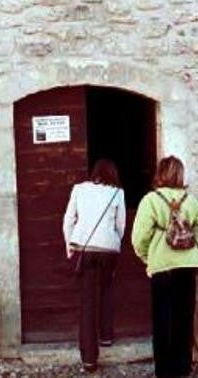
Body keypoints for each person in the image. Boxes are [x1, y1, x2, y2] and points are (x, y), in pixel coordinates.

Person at [131, 156, 198, 378]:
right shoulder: (192, 202)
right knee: (184, 317)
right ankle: (183, 368)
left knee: (162, 318)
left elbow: (139, 237)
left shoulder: (150, 201)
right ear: (180, 175)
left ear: (160, 174)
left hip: (162, 267)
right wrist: (193, 253)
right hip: (188, 266)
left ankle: (164, 371)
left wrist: (148, 257)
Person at [62, 159, 127, 373]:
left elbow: (68, 219)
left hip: (85, 249)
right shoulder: (117, 193)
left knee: (87, 302)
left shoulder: (79, 189)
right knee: (107, 289)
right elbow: (121, 225)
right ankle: (106, 336)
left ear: (94, 173)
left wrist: (69, 245)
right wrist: (114, 242)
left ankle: (89, 359)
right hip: (108, 250)